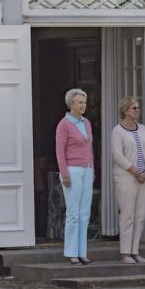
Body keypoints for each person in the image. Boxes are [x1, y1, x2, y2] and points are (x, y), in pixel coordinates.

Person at [111, 96, 145, 264]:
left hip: (144, 177)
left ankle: (135, 251)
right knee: (127, 215)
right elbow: (117, 155)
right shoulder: (118, 131)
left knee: (140, 215)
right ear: (125, 111)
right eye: (134, 108)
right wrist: (135, 171)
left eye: (138, 107)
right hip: (126, 177)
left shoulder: (143, 129)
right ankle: (125, 253)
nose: (138, 110)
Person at [55, 88, 94, 266]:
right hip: (72, 170)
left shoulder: (86, 123)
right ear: (71, 104)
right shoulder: (64, 124)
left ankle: (82, 252)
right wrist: (64, 173)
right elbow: (60, 151)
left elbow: (89, 147)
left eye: (84, 102)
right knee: (73, 213)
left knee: (85, 212)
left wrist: (92, 168)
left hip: (86, 170)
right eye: (80, 102)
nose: (83, 105)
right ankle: (71, 252)